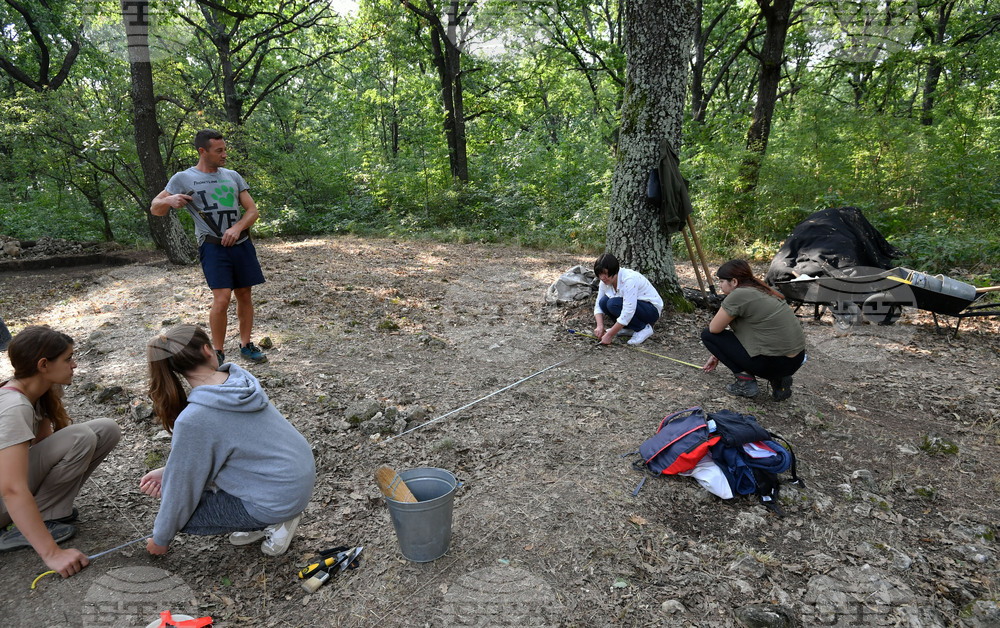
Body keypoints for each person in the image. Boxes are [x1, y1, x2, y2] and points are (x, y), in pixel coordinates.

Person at [140, 324, 315, 557]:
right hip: (297, 477)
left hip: (279, 498)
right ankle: (266, 518)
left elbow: (181, 494)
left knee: (184, 517)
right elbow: (228, 447)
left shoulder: (196, 418)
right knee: (182, 496)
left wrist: (160, 539)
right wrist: (169, 471)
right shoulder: (238, 380)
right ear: (207, 350)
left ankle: (276, 521)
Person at [0, 326, 121, 577]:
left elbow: (43, 448)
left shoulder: (36, 393)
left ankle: (47, 513)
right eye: (68, 359)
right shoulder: (13, 406)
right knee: (81, 437)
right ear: (43, 365)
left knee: (105, 429)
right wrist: (52, 554)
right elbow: (11, 488)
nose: (74, 365)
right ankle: (25, 529)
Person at [151, 129, 268, 365]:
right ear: (202, 151)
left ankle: (246, 345)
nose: (225, 154)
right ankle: (218, 351)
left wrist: (237, 228)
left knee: (244, 294)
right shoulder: (183, 178)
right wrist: (169, 200)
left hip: (241, 243)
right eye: (219, 150)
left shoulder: (232, 176)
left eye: (225, 149)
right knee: (222, 299)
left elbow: (252, 211)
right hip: (213, 246)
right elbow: (155, 207)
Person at [701, 260, 806, 401]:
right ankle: (779, 379)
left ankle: (745, 382)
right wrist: (717, 355)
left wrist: (719, 351)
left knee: (707, 335)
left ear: (734, 281)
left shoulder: (738, 295)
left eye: (721, 281)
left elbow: (714, 329)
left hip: (775, 364)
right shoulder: (762, 289)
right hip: (796, 360)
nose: (719, 285)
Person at [592, 252, 663, 346]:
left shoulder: (629, 279)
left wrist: (609, 335)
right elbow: (598, 305)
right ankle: (628, 328)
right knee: (603, 302)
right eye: (599, 274)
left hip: (651, 310)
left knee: (612, 304)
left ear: (614, 271)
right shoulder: (604, 282)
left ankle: (643, 329)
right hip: (633, 308)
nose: (602, 277)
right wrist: (600, 326)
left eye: (605, 273)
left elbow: (628, 310)